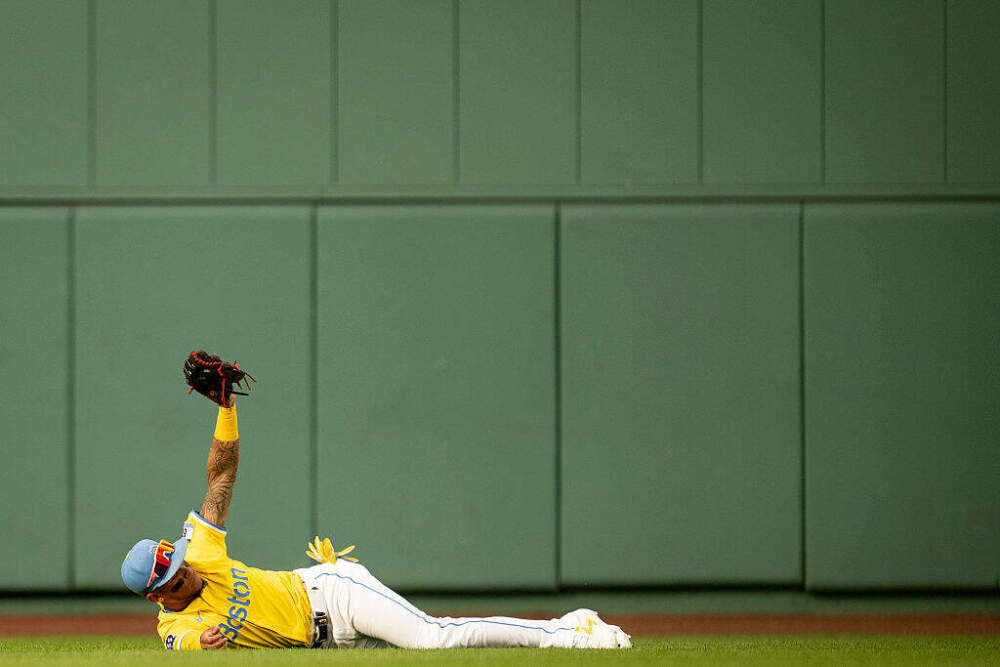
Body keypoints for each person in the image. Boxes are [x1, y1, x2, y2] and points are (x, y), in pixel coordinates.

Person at [120, 397, 632, 651]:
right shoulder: (174, 627)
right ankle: (568, 627)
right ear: (156, 597)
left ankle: (565, 632)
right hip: (327, 644)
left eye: (180, 565)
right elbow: (190, 644)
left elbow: (221, 474)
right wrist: (206, 643)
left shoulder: (202, 553)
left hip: (328, 592)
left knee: (435, 637)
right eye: (173, 579)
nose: (186, 573)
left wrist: (226, 410)